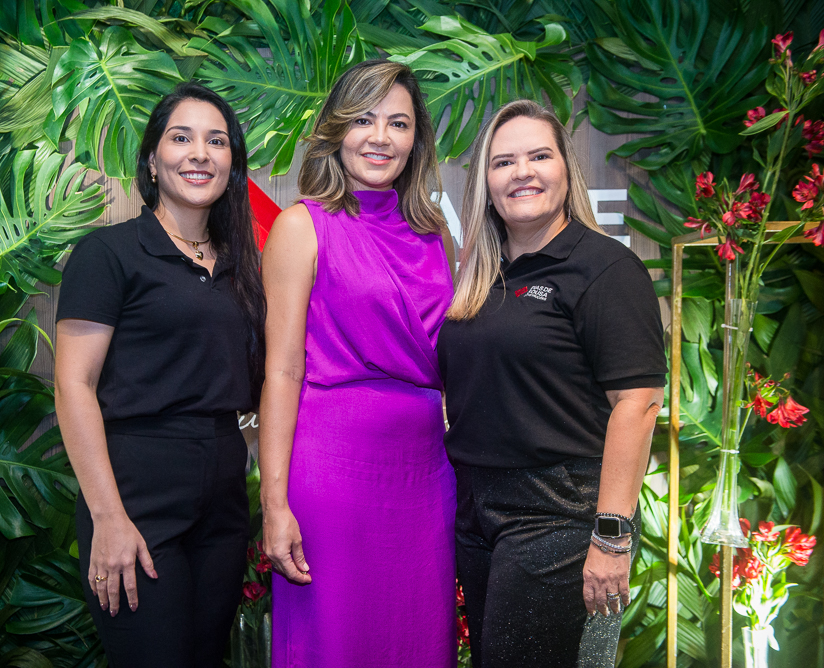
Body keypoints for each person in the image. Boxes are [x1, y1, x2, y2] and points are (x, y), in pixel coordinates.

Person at [437, 99, 667, 668]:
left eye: (539, 156)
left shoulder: (605, 269)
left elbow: (637, 404)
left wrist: (612, 537)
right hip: (476, 508)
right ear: (486, 183)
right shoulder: (480, 279)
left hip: (558, 511)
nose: (522, 173)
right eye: (503, 161)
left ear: (567, 168)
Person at [53, 82, 265, 667]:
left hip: (223, 497)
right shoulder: (109, 253)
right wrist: (108, 518)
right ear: (152, 157)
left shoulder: (243, 266)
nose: (200, 153)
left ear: (231, 163)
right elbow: (73, 387)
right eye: (181, 137)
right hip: (136, 492)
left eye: (216, 141)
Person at [259, 59, 457, 667]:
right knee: (334, 643)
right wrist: (274, 501)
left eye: (398, 123)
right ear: (335, 129)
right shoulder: (302, 226)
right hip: (334, 476)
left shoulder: (437, 236)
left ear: (415, 139)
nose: (380, 137)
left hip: (424, 479)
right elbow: (282, 371)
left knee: (418, 642)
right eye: (364, 119)